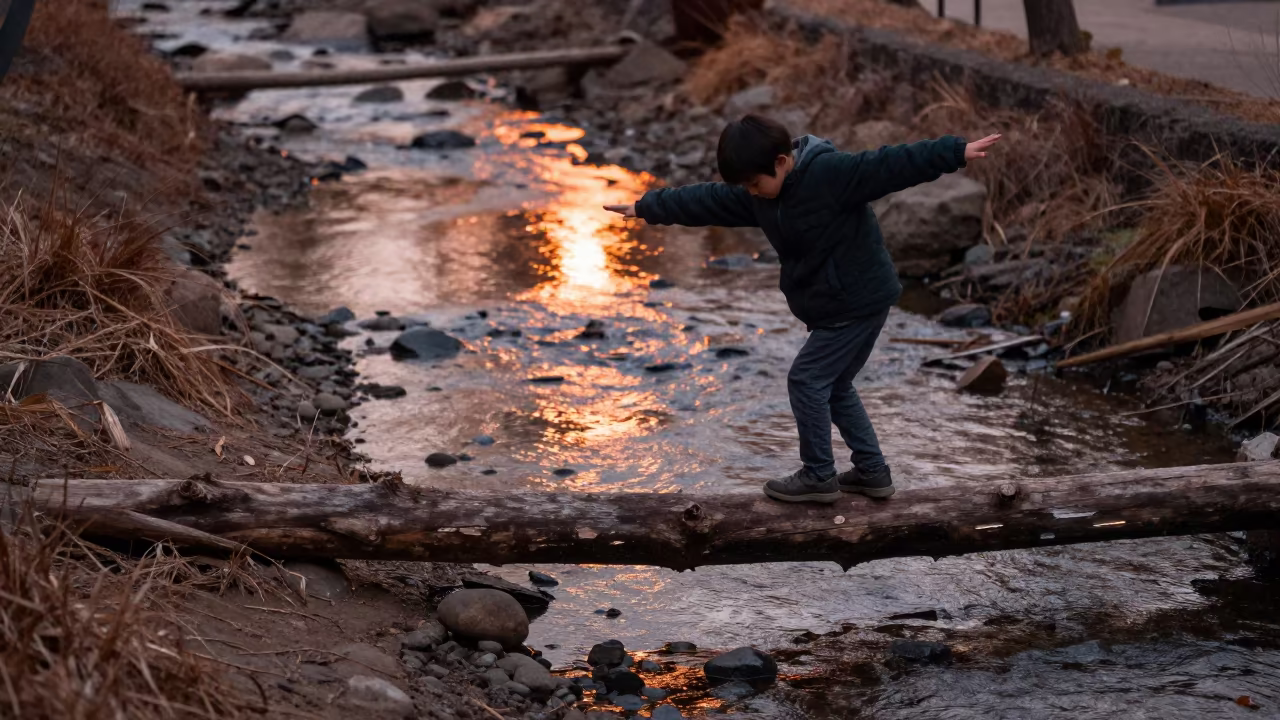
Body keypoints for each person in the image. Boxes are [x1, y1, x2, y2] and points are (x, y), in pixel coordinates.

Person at [605, 114, 1000, 504]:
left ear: (781, 162)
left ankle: (818, 475)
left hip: (857, 299)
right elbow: (704, 200)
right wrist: (645, 207)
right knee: (835, 386)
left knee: (806, 380)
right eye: (746, 186)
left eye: (755, 183)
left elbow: (890, 164)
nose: (752, 192)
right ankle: (872, 472)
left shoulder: (829, 174)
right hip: (839, 305)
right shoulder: (760, 195)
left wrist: (954, 152)